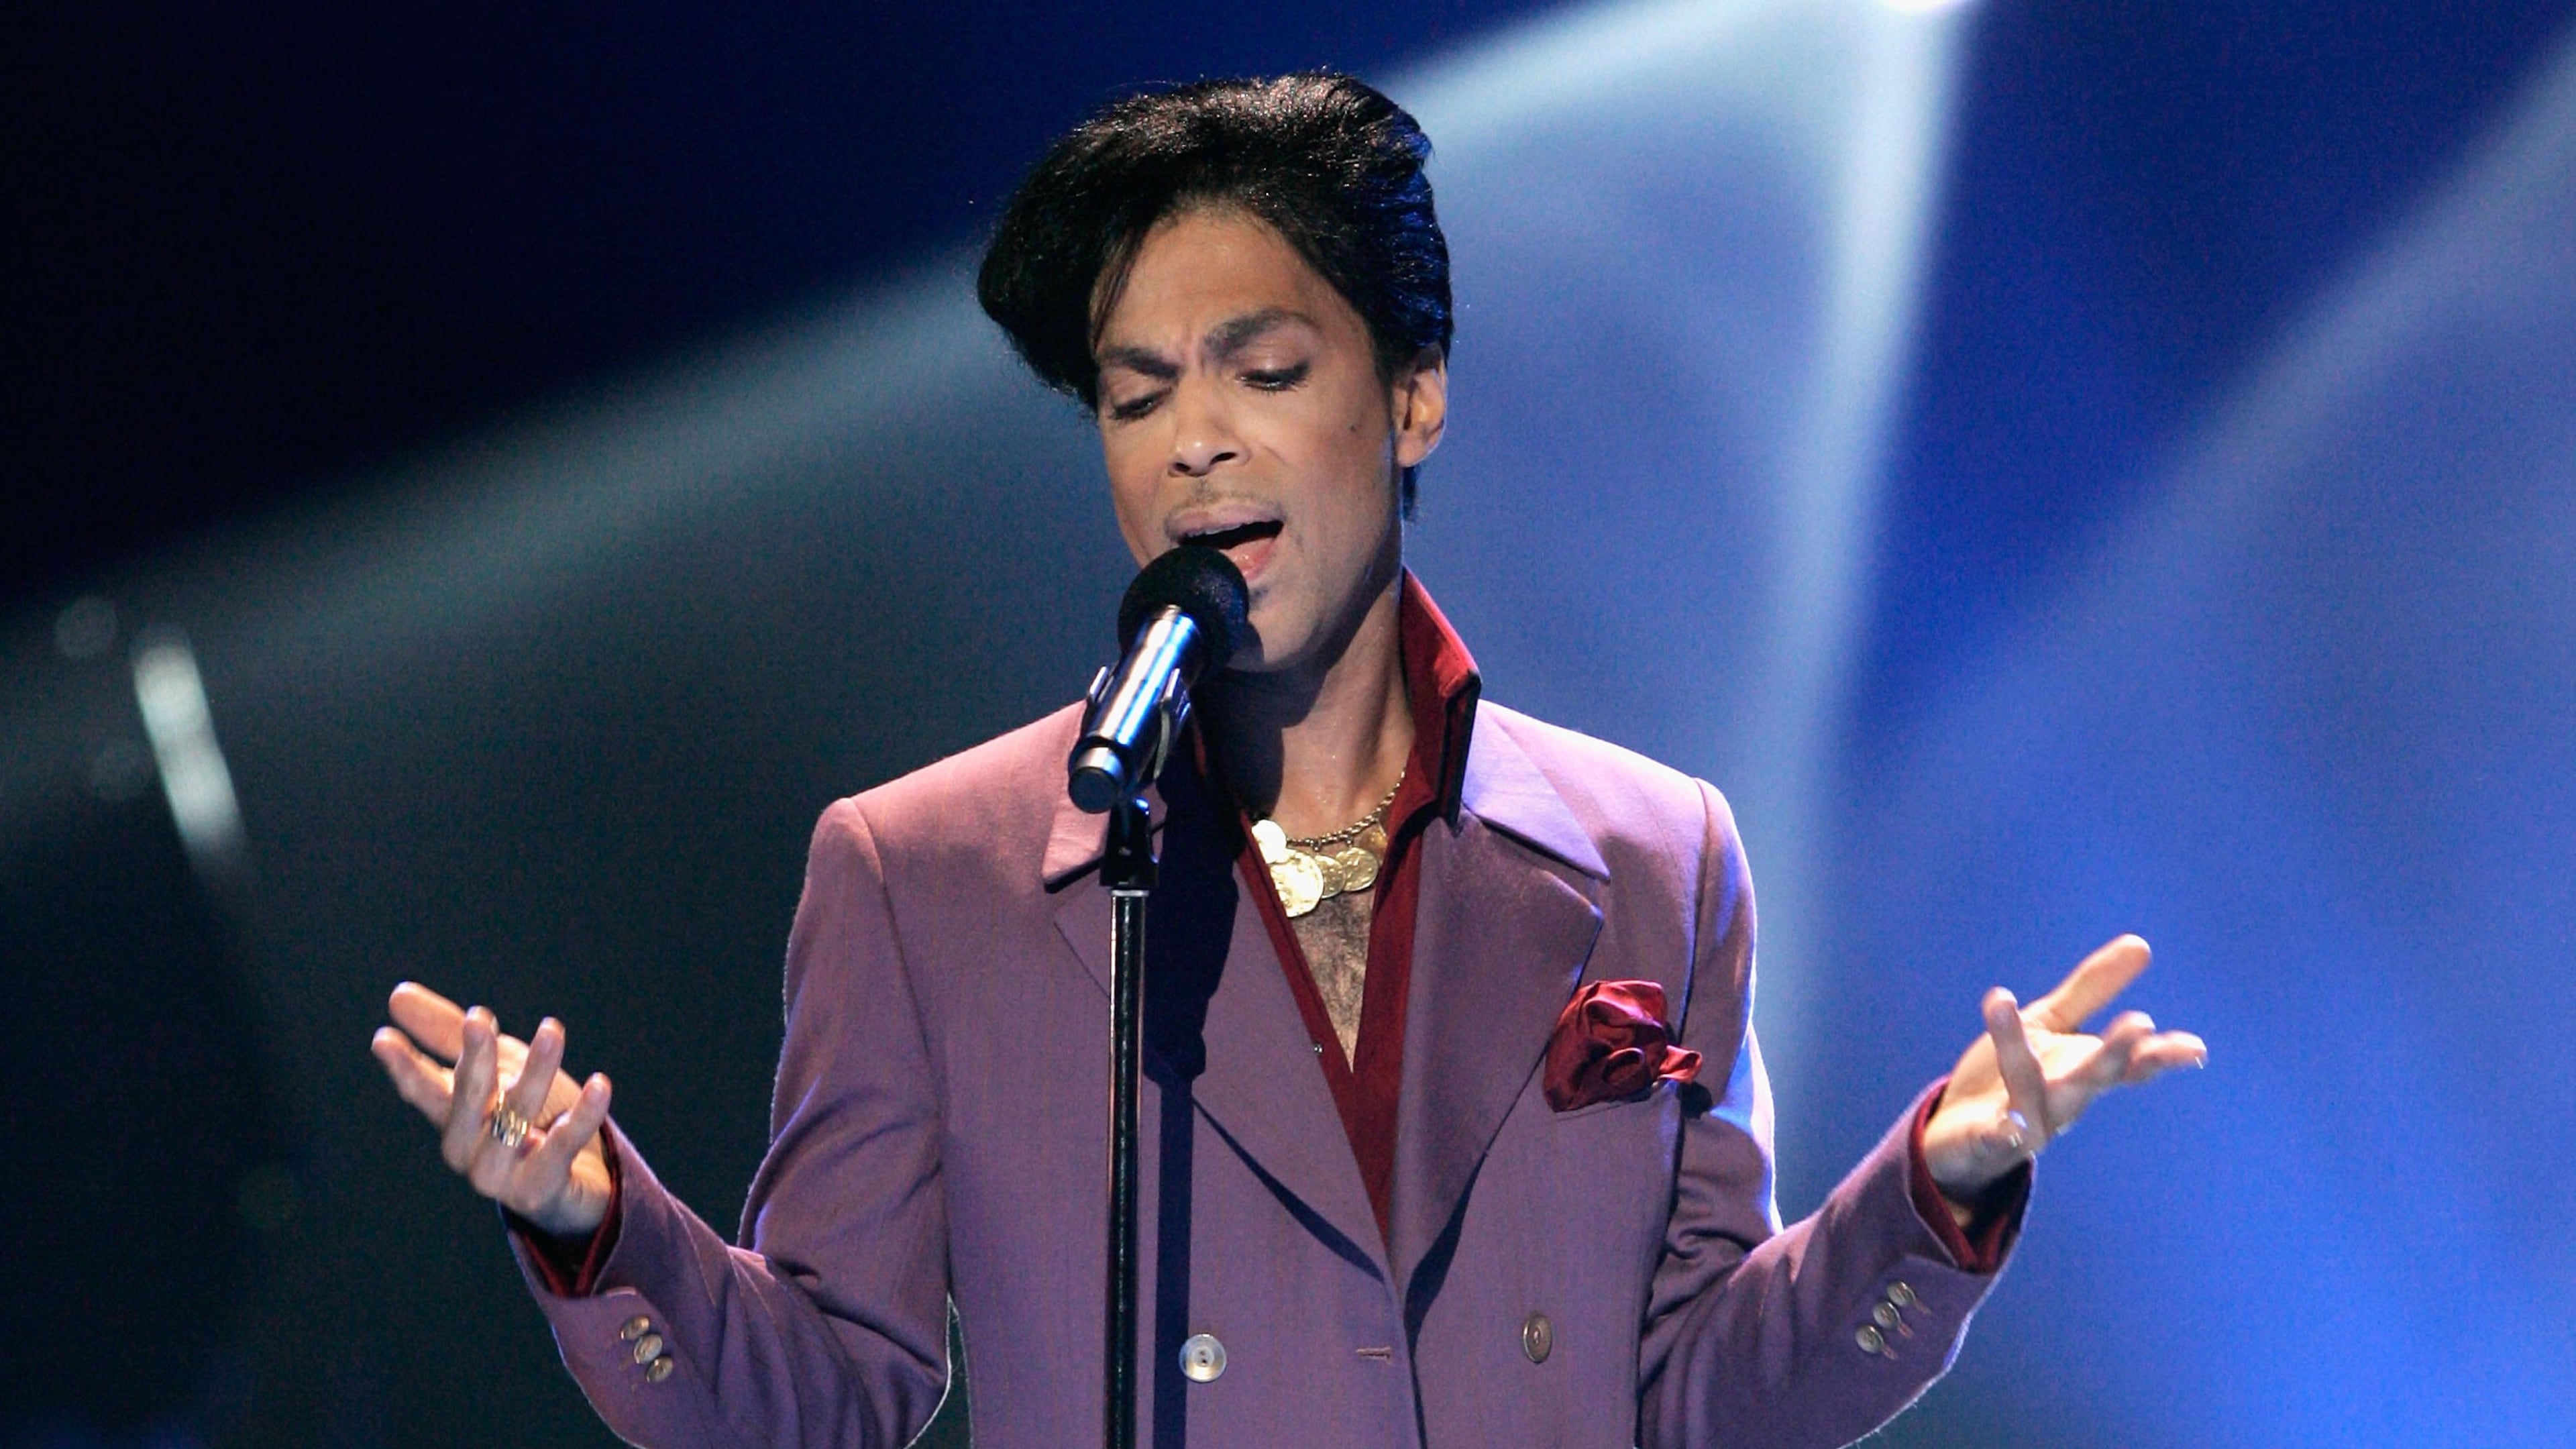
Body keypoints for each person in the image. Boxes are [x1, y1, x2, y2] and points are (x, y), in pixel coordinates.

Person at [371, 72, 2205, 1449]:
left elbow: (1707, 1396)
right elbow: (822, 1390)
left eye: (1261, 370)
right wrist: (600, 1226)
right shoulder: (924, 873)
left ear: (1410, 394)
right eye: (1136, 389)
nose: (1192, 445)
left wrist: (1933, 1192)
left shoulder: (1657, 853)